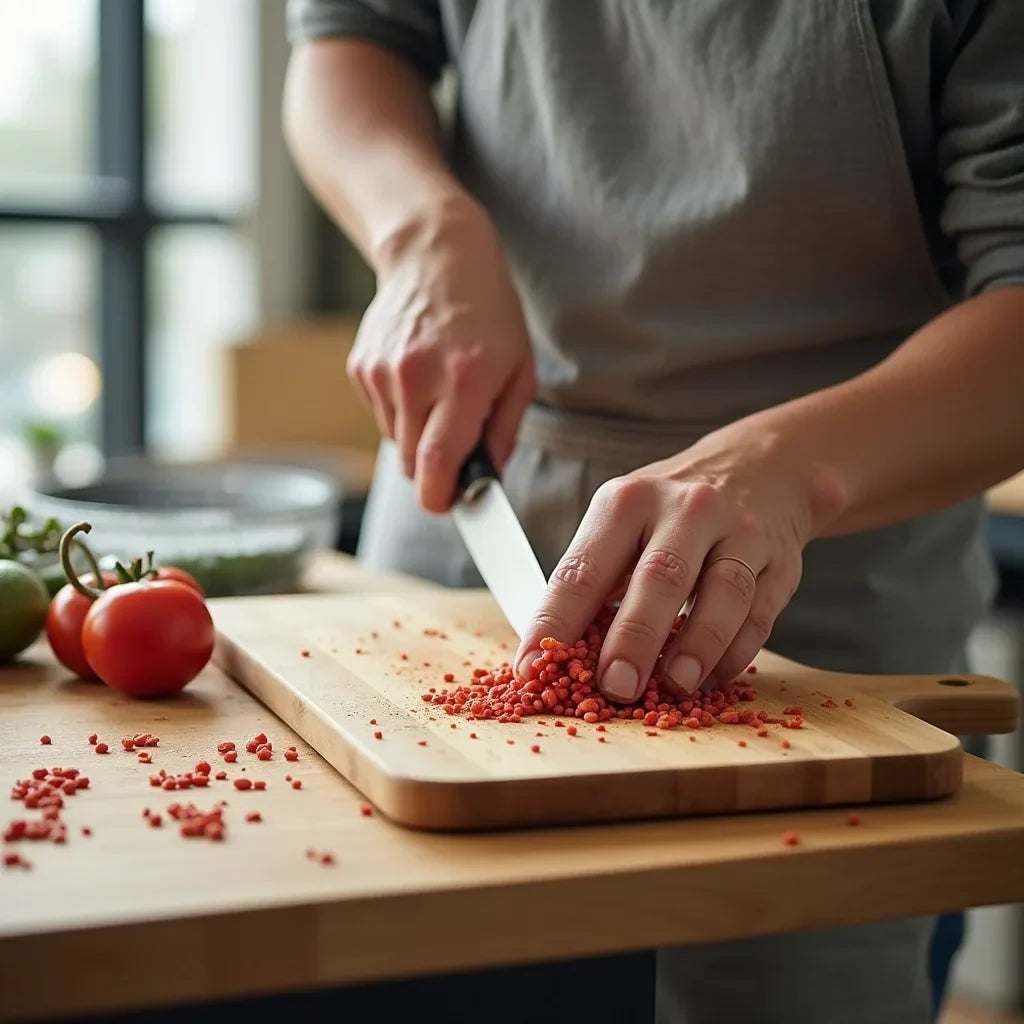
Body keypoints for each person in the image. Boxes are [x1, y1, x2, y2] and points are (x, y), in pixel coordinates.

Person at [282, 2, 1024, 1021]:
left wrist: (790, 468)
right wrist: (418, 229)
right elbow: (348, 37)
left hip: (821, 562)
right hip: (469, 484)